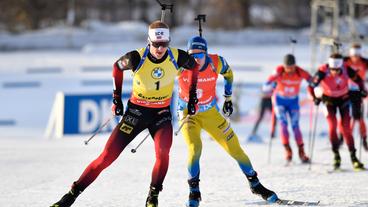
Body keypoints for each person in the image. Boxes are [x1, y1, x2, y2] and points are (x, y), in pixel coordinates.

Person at [50, 20, 200, 207]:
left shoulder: (177, 56)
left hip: (161, 114)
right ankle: (71, 195)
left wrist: (192, 95)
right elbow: (116, 67)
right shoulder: (136, 57)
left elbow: (194, 68)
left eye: (164, 44)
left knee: (163, 154)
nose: (160, 49)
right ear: (148, 41)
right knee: (107, 157)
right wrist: (116, 98)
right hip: (136, 113)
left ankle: (153, 196)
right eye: (155, 44)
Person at [177, 36, 278, 207]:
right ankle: (194, 192)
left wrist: (228, 97)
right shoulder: (181, 65)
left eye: (200, 56)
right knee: (195, 149)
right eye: (192, 55)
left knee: (235, 147)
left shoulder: (216, 62)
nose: (196, 60)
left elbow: (229, 74)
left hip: (210, 113)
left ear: (206, 54)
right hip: (188, 114)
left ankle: (255, 184)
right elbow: (160, 72)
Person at [310, 53, 365, 170]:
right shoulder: (323, 71)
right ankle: (336, 155)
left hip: (343, 100)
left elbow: (359, 80)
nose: (334, 72)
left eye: (337, 69)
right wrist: (314, 97)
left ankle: (354, 157)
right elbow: (311, 85)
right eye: (332, 69)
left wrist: (362, 91)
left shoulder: (346, 68)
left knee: (346, 128)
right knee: (332, 126)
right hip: (328, 101)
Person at [263, 54, 312, 164]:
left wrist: (314, 90)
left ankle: (302, 152)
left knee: (295, 125)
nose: (289, 70)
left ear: (295, 65)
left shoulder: (300, 72)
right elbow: (265, 85)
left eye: (292, 67)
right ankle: (288, 151)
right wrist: (271, 85)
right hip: (279, 101)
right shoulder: (279, 71)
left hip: (293, 102)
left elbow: (312, 81)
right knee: (283, 124)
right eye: (287, 67)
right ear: (284, 66)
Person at [343, 43, 368, 151]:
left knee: (358, 116)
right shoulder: (345, 60)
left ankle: (364, 139)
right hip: (344, 91)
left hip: (358, 91)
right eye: (353, 55)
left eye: (357, 55)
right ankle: (342, 137)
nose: (355, 57)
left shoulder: (364, 62)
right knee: (345, 116)